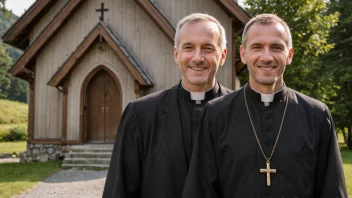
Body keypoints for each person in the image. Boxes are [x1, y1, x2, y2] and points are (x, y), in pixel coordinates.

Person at [182, 14, 348, 198]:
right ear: (243, 54)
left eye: (276, 47)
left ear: (289, 55)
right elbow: (200, 190)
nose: (266, 57)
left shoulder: (316, 115)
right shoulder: (216, 114)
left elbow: (332, 191)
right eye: (257, 47)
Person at [103, 13, 232, 198]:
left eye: (207, 48)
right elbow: (119, 189)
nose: (197, 57)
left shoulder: (242, 113)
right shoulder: (140, 114)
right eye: (188, 47)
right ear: (176, 54)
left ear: (223, 55)